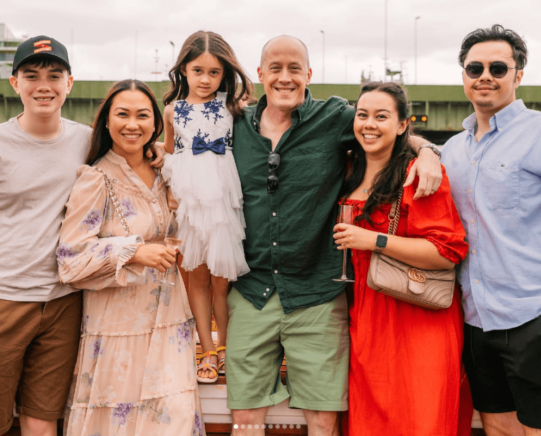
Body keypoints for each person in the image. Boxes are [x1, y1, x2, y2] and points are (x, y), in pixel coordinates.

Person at [226, 35, 443, 436]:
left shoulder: (335, 117)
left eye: (295, 69)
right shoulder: (233, 124)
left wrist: (428, 152)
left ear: (309, 75)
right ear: (259, 75)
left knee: (324, 420)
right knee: (244, 418)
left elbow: (388, 129)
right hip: (251, 289)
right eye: (275, 68)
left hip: (317, 293)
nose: (285, 78)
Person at [57, 80, 203, 436]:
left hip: (170, 321)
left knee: (175, 420)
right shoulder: (97, 179)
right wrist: (134, 251)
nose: (132, 124)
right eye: (122, 114)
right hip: (116, 328)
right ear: (107, 121)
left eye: (143, 115)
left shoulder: (166, 171)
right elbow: (69, 259)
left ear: (156, 123)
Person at [333, 81, 472, 436]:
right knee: (369, 421)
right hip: (365, 318)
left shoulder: (419, 177)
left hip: (417, 319)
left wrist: (373, 240)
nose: (369, 124)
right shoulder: (345, 170)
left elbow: (447, 252)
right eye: (362, 115)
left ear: (401, 125)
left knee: (419, 418)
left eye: (382, 116)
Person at [442, 25, 541, 436]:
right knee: (497, 426)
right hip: (475, 317)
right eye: (475, 67)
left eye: (498, 67)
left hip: (531, 314)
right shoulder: (451, 150)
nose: (485, 75)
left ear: (518, 75)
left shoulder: (537, 133)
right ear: (463, 75)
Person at [0, 36, 88, 436]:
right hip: (5, 297)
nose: (44, 85)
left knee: (43, 416)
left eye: (55, 75)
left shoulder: (87, 140)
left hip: (63, 299)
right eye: (31, 75)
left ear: (70, 83)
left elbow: (138, 151)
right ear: (14, 84)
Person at [161, 31, 253, 383]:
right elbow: (170, 153)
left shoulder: (235, 107)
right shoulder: (172, 110)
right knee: (195, 278)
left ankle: (228, 347)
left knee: (222, 280)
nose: (205, 79)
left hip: (223, 199)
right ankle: (207, 350)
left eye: (214, 72)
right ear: (183, 68)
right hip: (189, 200)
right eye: (198, 70)